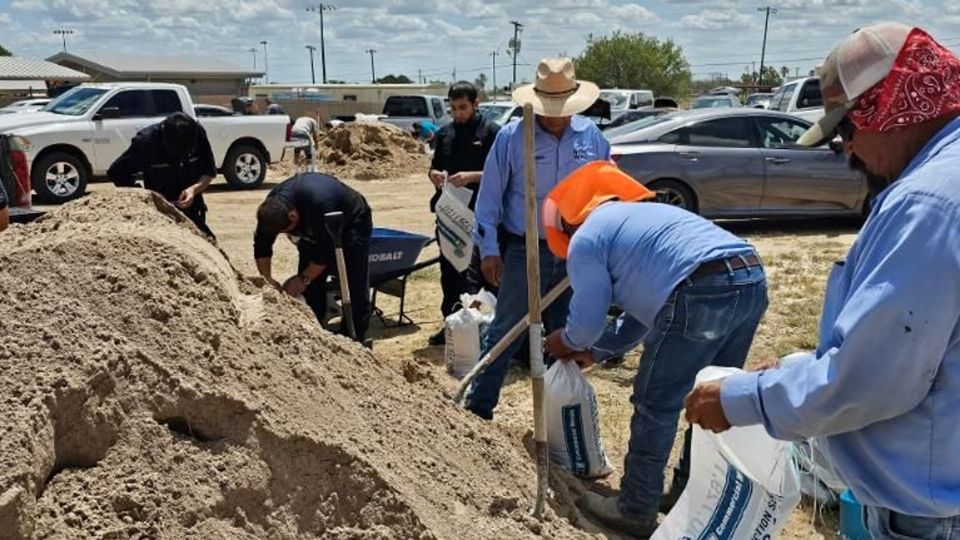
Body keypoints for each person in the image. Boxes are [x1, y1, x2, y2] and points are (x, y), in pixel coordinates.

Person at [684, 22, 960, 539]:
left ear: (888, 107)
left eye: (846, 131)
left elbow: (871, 379)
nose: (849, 152)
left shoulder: (929, 203)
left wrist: (741, 398)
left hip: (933, 509)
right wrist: (796, 367)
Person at [538, 161, 767, 538]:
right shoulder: (643, 219)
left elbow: (587, 322)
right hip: (750, 278)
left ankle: (635, 508)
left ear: (568, 222)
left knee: (655, 404)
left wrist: (566, 342)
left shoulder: (587, 239)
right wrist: (597, 351)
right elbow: (644, 313)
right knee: (712, 398)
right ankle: (690, 492)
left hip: (700, 289)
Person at [464, 57, 609, 420]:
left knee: (568, 335)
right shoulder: (513, 137)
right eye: (550, 108)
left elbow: (606, 191)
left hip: (576, 251)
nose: (556, 116)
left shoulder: (591, 137)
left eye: (564, 108)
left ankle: (561, 418)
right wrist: (489, 251)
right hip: (525, 249)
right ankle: (477, 412)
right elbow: (489, 201)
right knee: (507, 330)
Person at [254, 172, 373, 342]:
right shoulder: (271, 210)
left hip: (352, 220)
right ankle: (315, 327)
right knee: (310, 281)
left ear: (293, 215)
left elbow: (325, 254)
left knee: (352, 275)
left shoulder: (320, 203)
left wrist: (302, 280)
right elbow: (262, 246)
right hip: (315, 226)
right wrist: (268, 280)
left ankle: (355, 332)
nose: (289, 235)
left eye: (288, 229)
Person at [425, 81, 500, 345]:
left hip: (481, 216)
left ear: (476, 105)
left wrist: (472, 177)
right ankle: (452, 324)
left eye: (463, 107)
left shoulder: (492, 133)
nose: (458, 113)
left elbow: (502, 175)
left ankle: (484, 327)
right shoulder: (445, 134)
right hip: (449, 214)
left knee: (482, 274)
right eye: (453, 108)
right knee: (450, 272)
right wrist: (433, 176)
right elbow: (434, 167)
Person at [108, 112, 217, 237]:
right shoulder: (146, 143)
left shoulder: (197, 134)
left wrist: (193, 190)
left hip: (191, 209)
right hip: (158, 214)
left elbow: (209, 171)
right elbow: (116, 172)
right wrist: (149, 196)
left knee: (208, 243)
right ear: (165, 140)